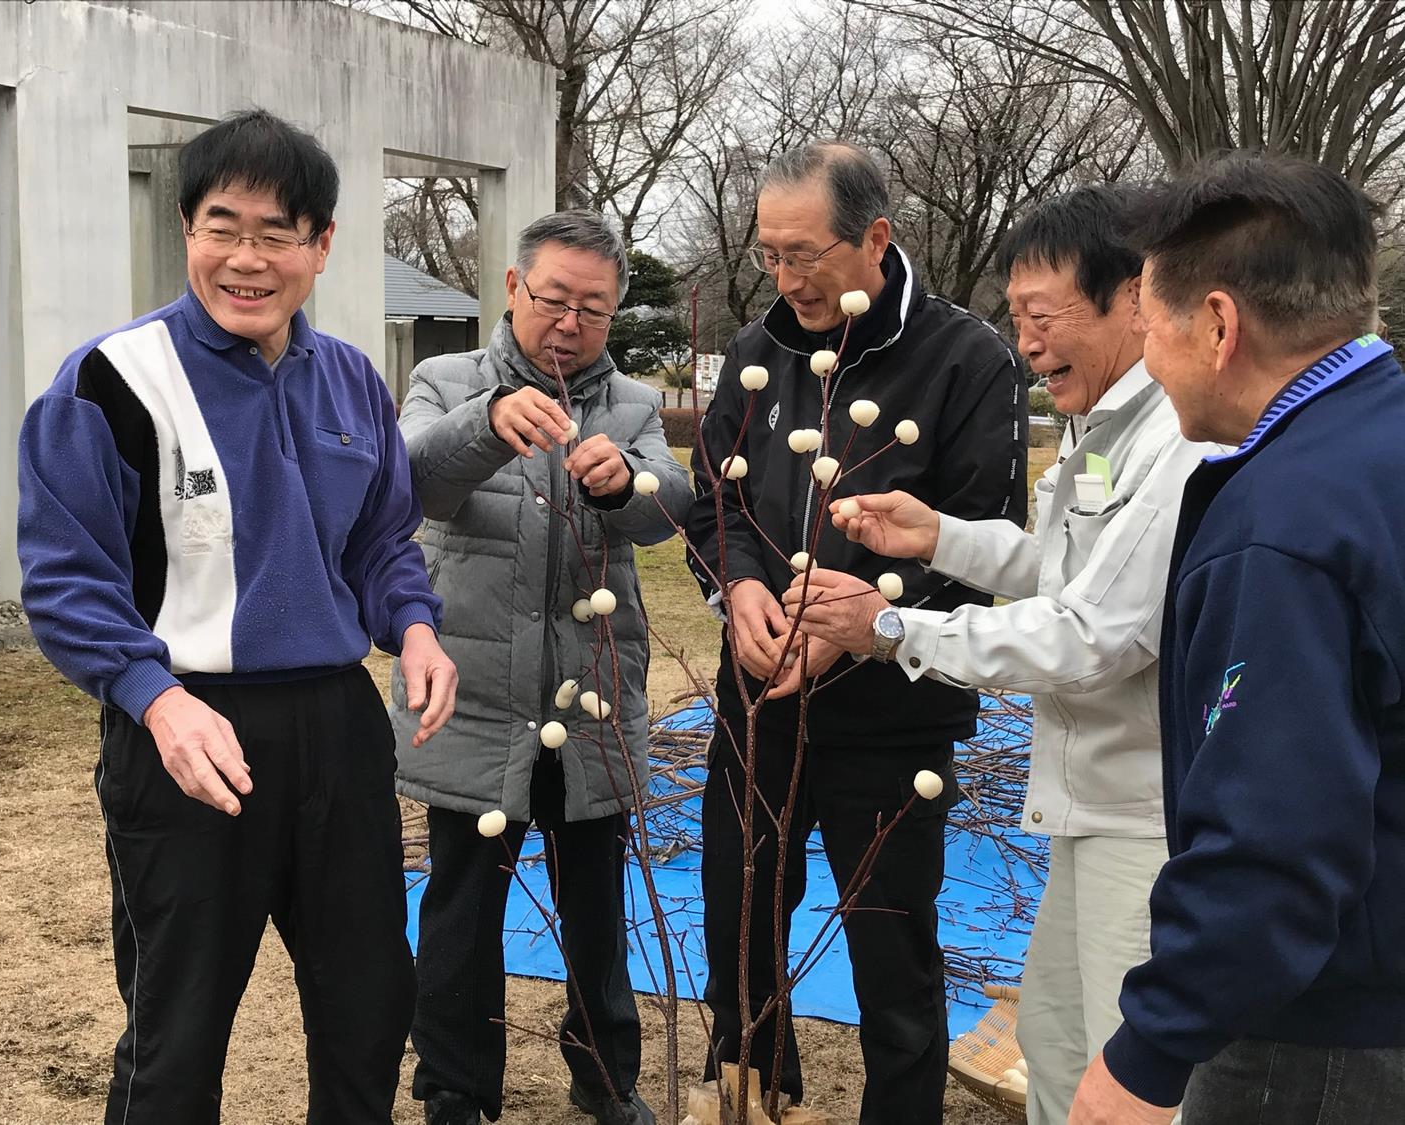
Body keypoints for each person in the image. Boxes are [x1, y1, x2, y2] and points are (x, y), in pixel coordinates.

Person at [16, 110, 456, 1124]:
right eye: (225, 226)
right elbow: (65, 582)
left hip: (339, 733)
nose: (247, 259)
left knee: (369, 1005)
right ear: (186, 229)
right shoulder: (110, 382)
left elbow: (382, 542)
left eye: (278, 233)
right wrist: (155, 701)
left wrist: (417, 628)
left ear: (323, 245)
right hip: (185, 734)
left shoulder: (350, 377)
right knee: (178, 1036)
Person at [794, 185, 1218, 1123]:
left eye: (1043, 314)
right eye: (1015, 314)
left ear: (1134, 299)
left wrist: (897, 627)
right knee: (1057, 1042)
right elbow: (1066, 573)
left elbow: (1091, 634)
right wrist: (939, 535)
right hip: (1087, 799)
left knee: (1132, 1082)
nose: (1025, 341)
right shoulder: (1101, 427)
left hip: (1147, 813)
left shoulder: (1175, 443)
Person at [683, 140, 1028, 1124]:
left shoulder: (970, 359)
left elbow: (985, 542)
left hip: (895, 713)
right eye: (770, 255)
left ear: (876, 238)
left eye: (805, 254)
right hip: (759, 701)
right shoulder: (756, 356)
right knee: (737, 928)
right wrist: (737, 593)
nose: (785, 279)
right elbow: (718, 506)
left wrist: (858, 625)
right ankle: (756, 1096)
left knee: (890, 948)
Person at [1066, 154, 1405, 1123]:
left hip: (1329, 1037)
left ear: (1217, 325)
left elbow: (1277, 838)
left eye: (1150, 328)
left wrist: (1149, 1049)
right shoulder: (1375, 452)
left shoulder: (1285, 528)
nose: (1146, 358)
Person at [393, 209, 693, 1125]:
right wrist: (487, 426)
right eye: (554, 299)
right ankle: (454, 1084)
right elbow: (409, 484)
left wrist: (626, 483)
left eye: (593, 308)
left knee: (598, 910)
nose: (570, 323)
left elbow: (672, 507)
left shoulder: (632, 405)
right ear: (515, 288)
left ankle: (606, 1078)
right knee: (460, 910)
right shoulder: (445, 380)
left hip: (590, 696)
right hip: (476, 694)